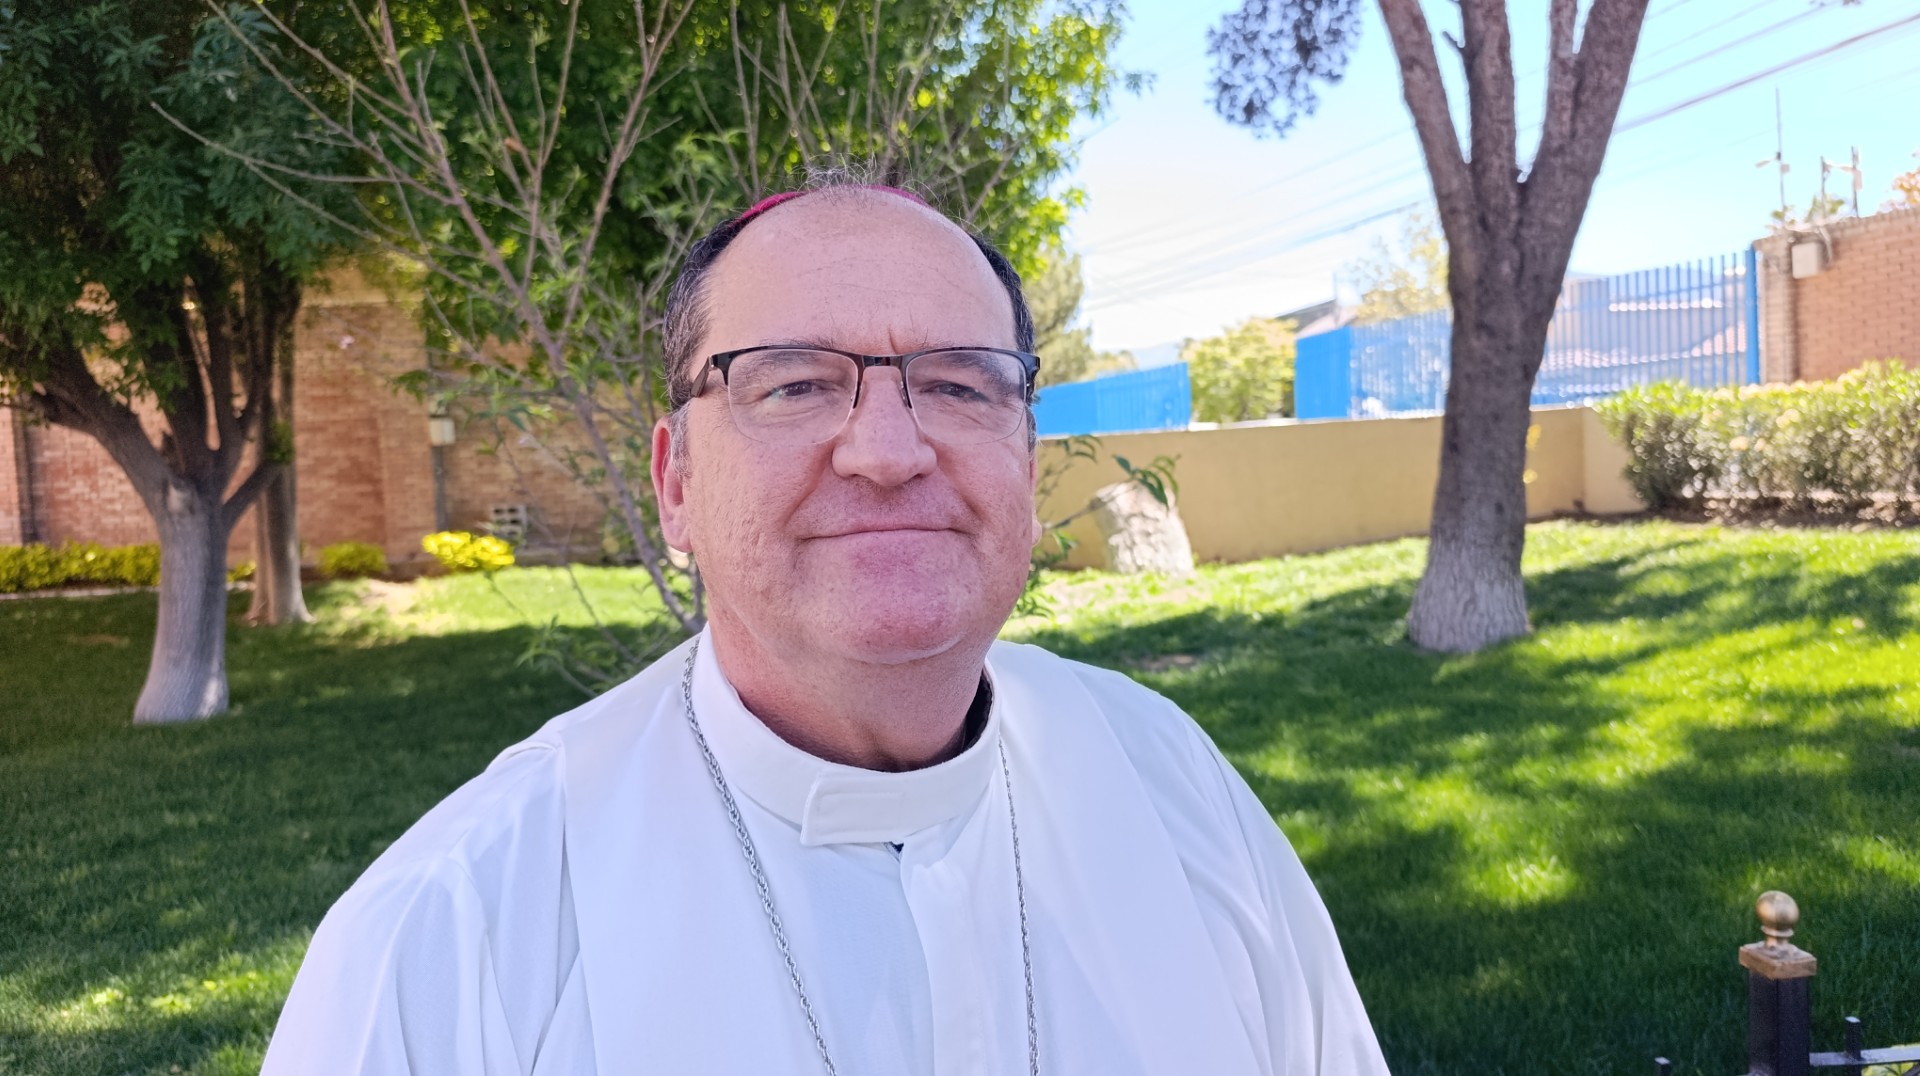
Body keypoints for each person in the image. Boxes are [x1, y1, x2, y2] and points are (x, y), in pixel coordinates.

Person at [262, 179, 1390, 1076]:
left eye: (960, 384)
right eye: (794, 385)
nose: (889, 451)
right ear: (677, 482)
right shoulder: (451, 934)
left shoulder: (1173, 782)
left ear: (1026, 459)